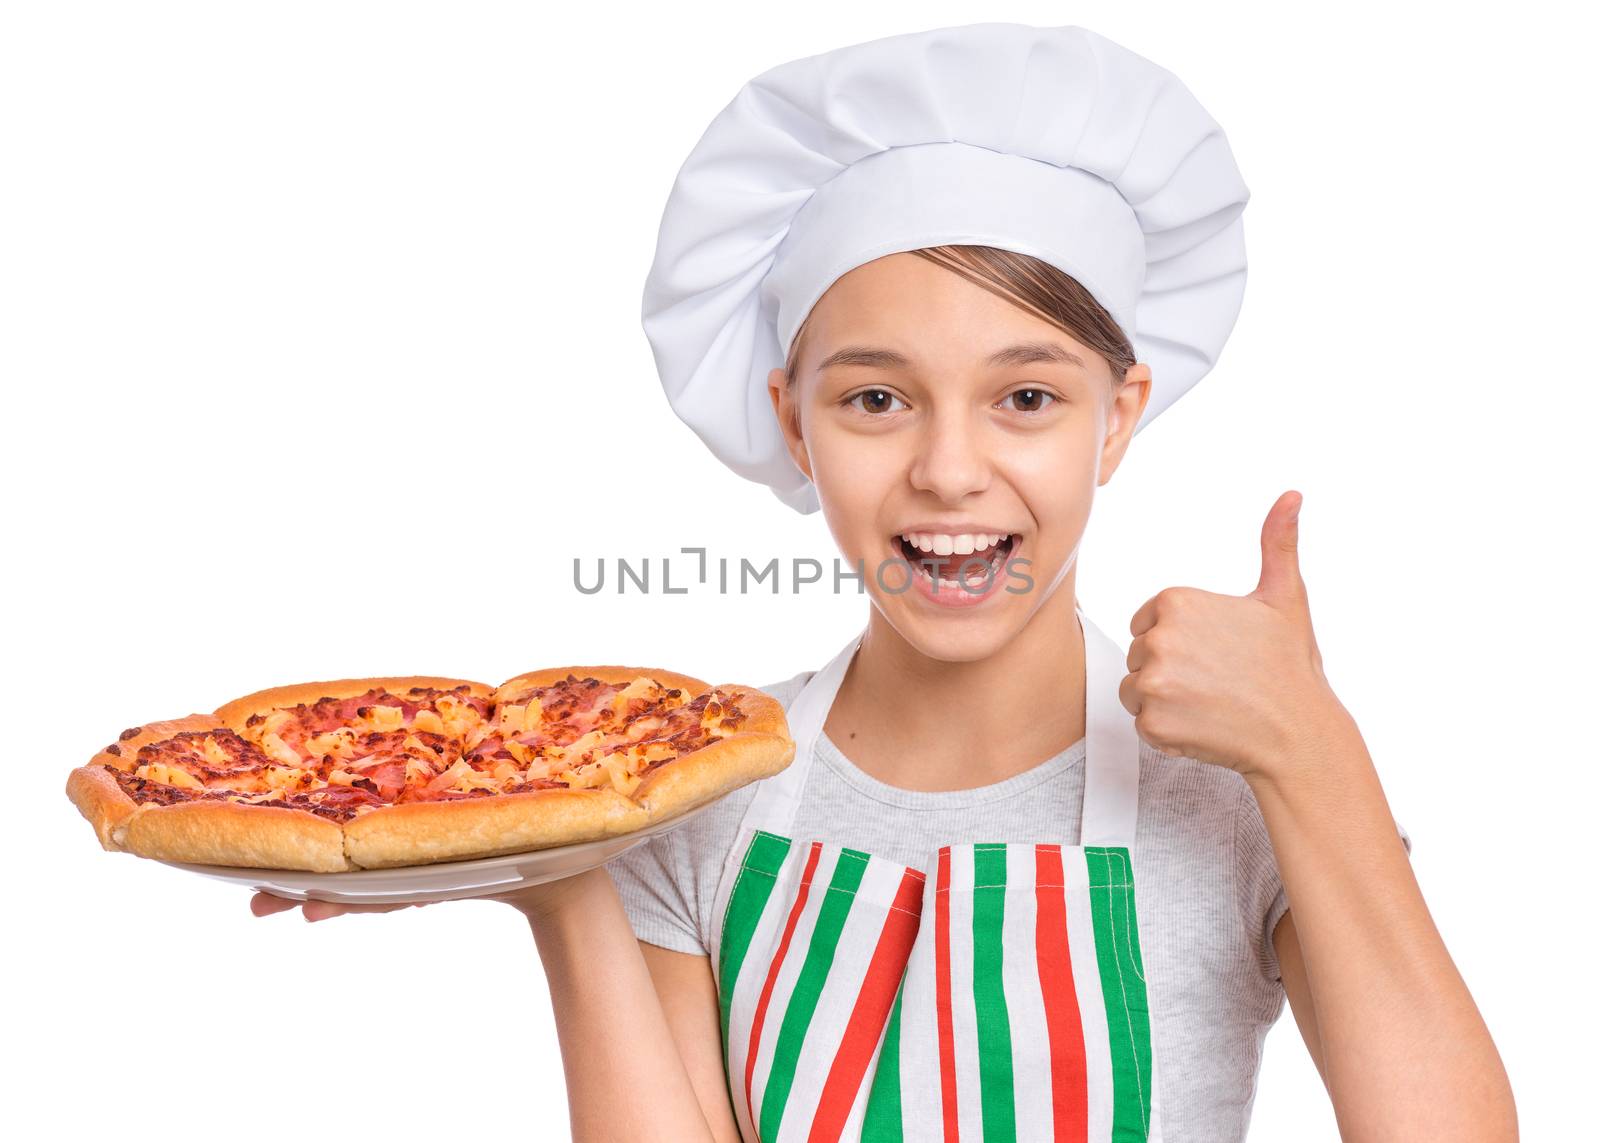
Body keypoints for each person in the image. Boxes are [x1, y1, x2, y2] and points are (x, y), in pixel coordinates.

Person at [255, 22, 1516, 1142]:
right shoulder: (690, 793)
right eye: (873, 399)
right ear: (793, 426)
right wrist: (555, 866)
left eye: (1026, 398)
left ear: (1118, 418)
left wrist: (1312, 750)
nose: (949, 471)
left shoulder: (1236, 793)